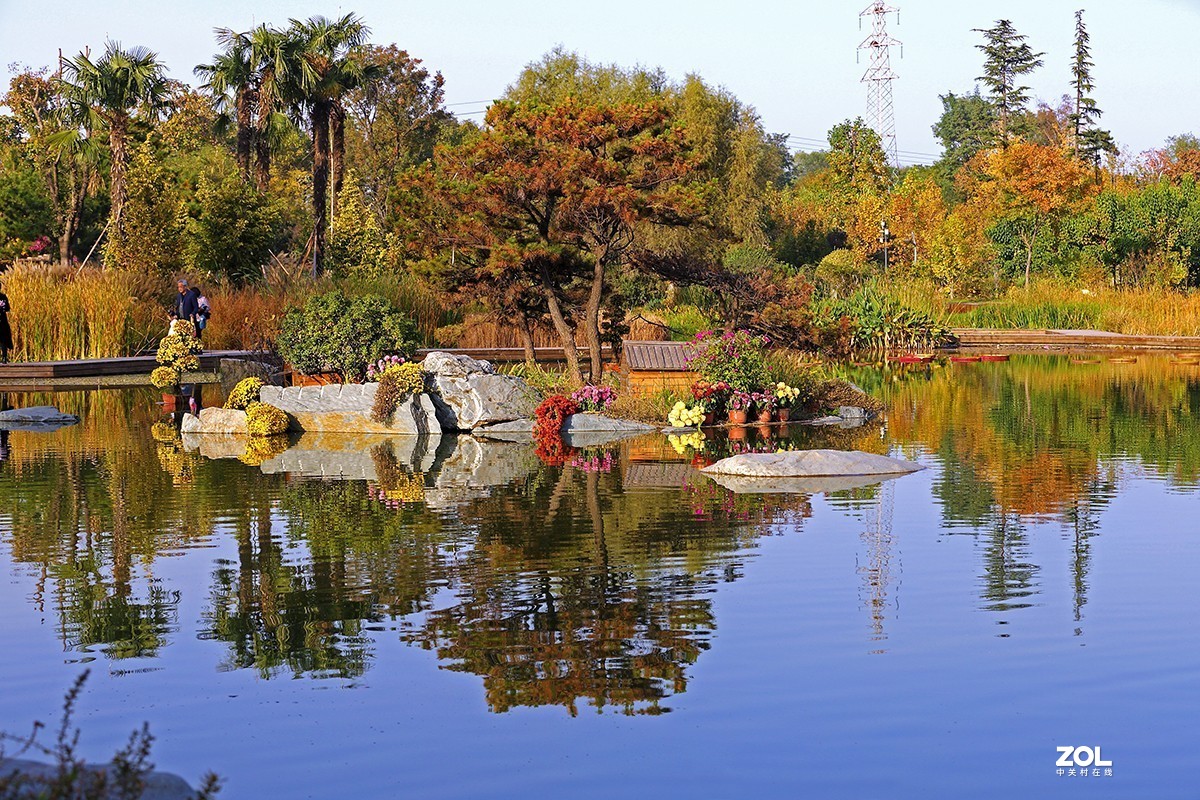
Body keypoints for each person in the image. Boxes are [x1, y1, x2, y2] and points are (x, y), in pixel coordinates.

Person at [0, 283, 12, 363]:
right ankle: (4, 358)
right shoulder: (3, 297)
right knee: (3, 340)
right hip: (3, 321)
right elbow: (7, 308)